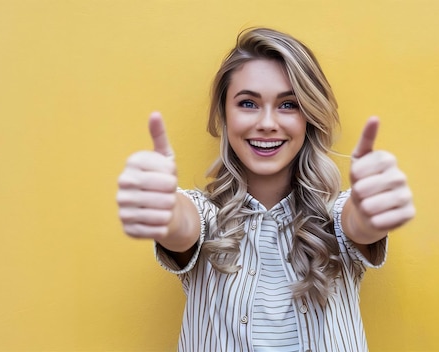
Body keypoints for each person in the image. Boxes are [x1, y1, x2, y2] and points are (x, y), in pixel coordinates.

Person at [116, 27, 415, 352]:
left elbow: (358, 223)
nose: (268, 122)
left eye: (288, 105)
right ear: (225, 115)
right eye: (248, 103)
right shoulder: (205, 218)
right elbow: (182, 225)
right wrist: (163, 209)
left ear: (308, 118)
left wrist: (373, 210)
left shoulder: (336, 218)